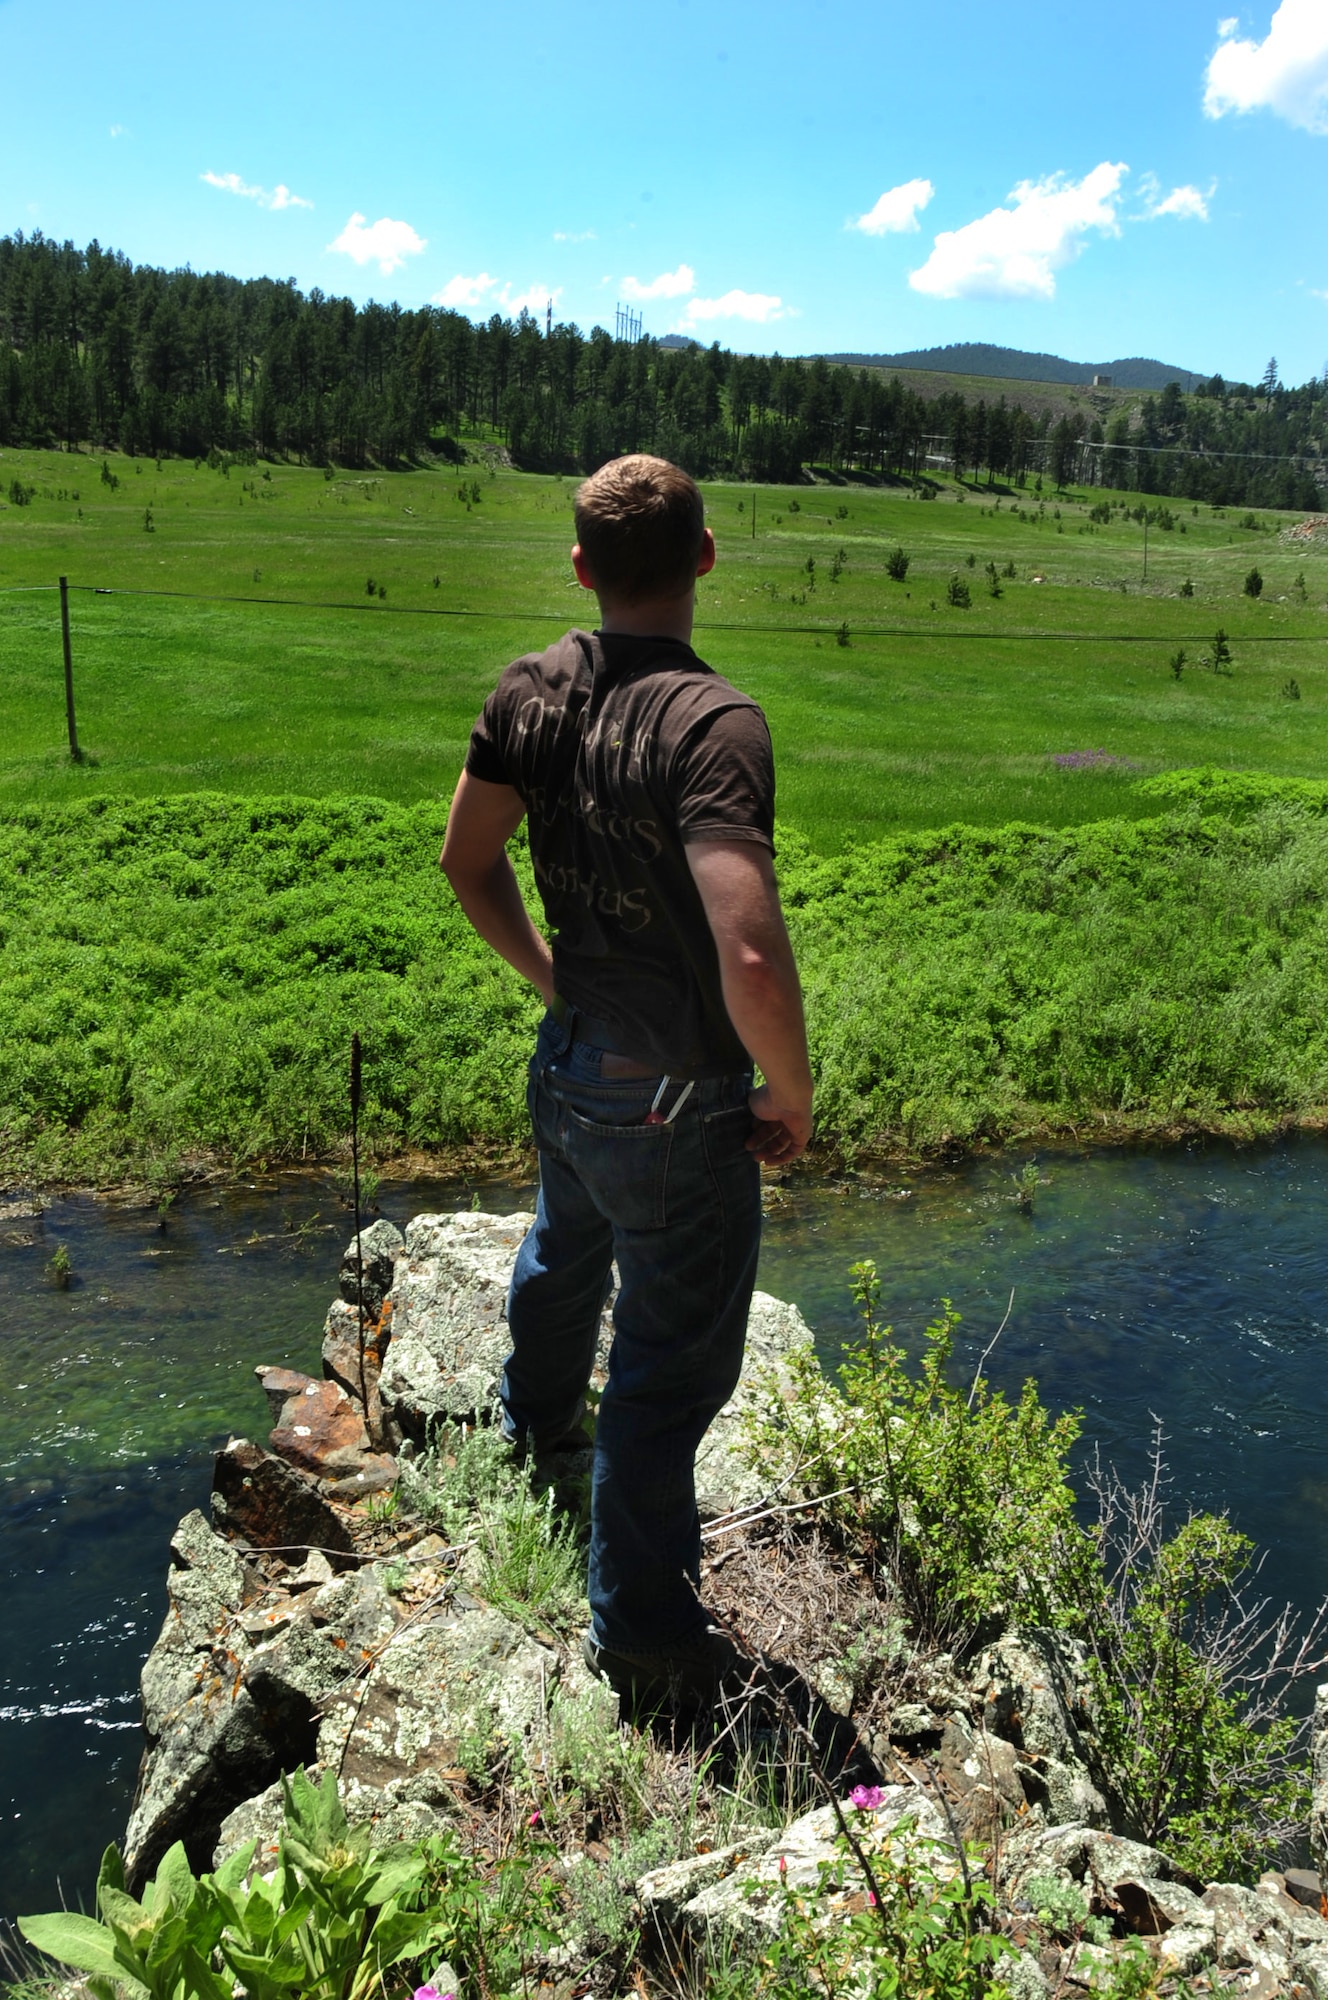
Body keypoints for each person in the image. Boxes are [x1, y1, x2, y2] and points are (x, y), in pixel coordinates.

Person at [440, 453, 812, 1710]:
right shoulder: (714, 723)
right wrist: (789, 1088)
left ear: (583, 567)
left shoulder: (529, 689)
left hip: (573, 1059)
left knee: (563, 1241)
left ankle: (533, 1428)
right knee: (666, 1366)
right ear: (704, 557)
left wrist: (557, 982)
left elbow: (465, 859)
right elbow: (747, 942)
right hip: (679, 1093)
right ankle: (642, 1630)